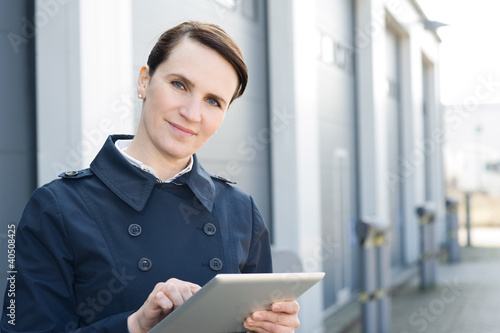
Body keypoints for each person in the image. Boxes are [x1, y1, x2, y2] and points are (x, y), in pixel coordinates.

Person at [1, 21, 300, 332]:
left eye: (214, 101)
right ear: (144, 81)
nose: (192, 113)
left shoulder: (241, 213)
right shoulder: (57, 208)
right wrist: (135, 325)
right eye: (179, 84)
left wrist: (271, 327)